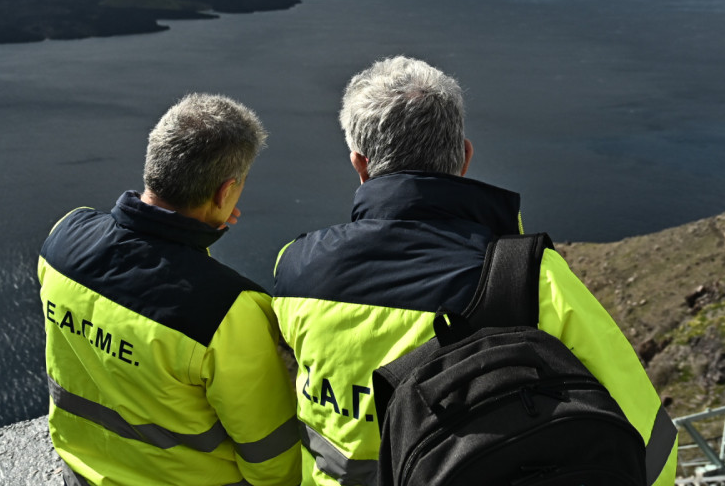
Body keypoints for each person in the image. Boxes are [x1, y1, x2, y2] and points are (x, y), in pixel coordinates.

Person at [271, 57, 677, 486]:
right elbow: (649, 441)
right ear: (464, 156)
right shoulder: (527, 277)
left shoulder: (294, 270)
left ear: (360, 164)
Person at [39, 93, 301, 486]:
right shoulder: (229, 311)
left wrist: (196, 232)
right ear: (225, 191)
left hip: (81, 473)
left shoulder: (64, 239)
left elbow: (139, 282)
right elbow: (273, 456)